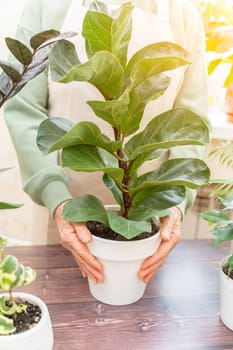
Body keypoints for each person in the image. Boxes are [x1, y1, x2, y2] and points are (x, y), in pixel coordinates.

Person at [4, 0, 209, 285]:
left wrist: (175, 203)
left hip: (148, 222)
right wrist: (57, 199)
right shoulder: (45, 5)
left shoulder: (182, 10)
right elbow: (23, 106)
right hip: (64, 214)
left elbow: (191, 118)